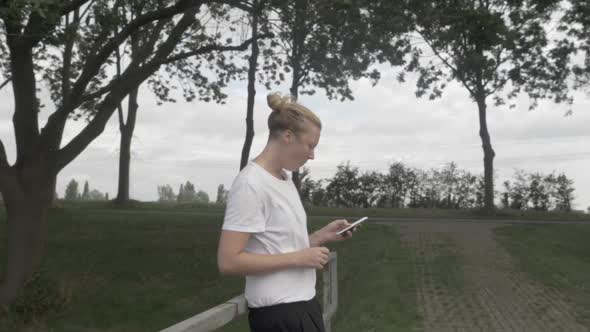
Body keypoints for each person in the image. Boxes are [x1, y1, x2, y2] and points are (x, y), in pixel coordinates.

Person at [217, 92, 356, 332]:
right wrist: (300, 258)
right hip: (279, 317)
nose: (312, 155)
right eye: (310, 145)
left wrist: (319, 237)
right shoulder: (251, 183)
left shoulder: (284, 178)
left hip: (305, 307)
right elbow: (228, 261)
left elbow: (277, 244)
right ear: (288, 136)